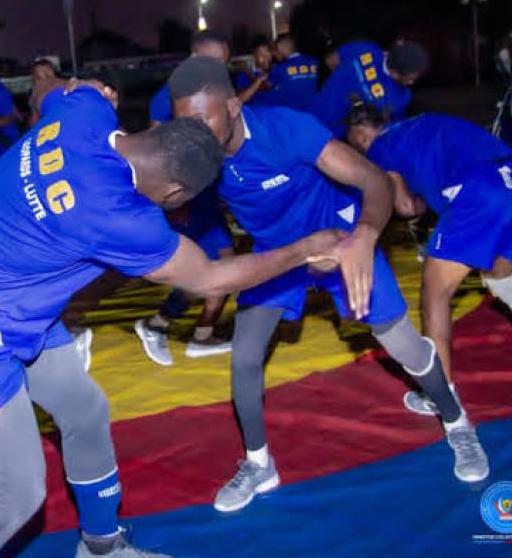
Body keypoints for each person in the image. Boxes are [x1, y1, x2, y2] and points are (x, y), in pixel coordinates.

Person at [0, 78, 342, 558]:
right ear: (175, 192)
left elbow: (47, 90)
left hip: (11, 298)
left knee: (85, 410)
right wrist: (302, 250)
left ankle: (101, 550)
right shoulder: (121, 217)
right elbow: (210, 278)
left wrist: (80, 85)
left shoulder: (83, 112)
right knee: (16, 494)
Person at [167, 56, 489, 515]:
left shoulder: (287, 129)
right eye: (184, 124)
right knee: (244, 356)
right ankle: (260, 465)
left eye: (202, 120)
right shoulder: (197, 156)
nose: (192, 133)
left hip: (340, 239)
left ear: (234, 106)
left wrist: (365, 237)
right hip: (279, 253)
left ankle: (457, 423)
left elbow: (372, 179)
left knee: (404, 346)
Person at [347, 104, 512, 415]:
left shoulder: (382, 148)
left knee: (434, 294)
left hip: (479, 193)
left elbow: (404, 207)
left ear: (361, 135)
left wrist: (419, 202)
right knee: (504, 280)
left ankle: (441, 396)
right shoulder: (423, 123)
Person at [138, 31, 236, 364]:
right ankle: (161, 324)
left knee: (219, 265)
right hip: (186, 197)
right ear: (196, 59)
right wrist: (173, 201)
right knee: (219, 267)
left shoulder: (212, 91)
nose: (223, 70)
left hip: (203, 193)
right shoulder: (168, 97)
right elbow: (156, 151)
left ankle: (195, 332)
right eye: (217, 63)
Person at [311, 39, 429, 138]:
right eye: (409, 78)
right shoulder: (400, 97)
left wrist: (342, 82)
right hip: (329, 139)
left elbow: (330, 61)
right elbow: (381, 134)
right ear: (394, 73)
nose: (411, 82)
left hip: (310, 115)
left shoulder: (364, 48)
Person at [149, 30, 231, 127]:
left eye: (224, 64)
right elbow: (156, 137)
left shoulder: (220, 86)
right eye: (215, 62)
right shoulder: (167, 96)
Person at [264, 33, 319, 111]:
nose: (275, 53)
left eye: (276, 49)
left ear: (280, 47)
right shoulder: (314, 62)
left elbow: (266, 86)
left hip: (292, 112)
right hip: (313, 110)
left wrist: (252, 76)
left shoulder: (279, 68)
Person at [235, 37, 274, 105]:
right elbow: (241, 98)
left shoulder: (278, 70)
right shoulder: (243, 75)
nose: (266, 57)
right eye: (261, 54)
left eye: (267, 52)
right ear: (254, 56)